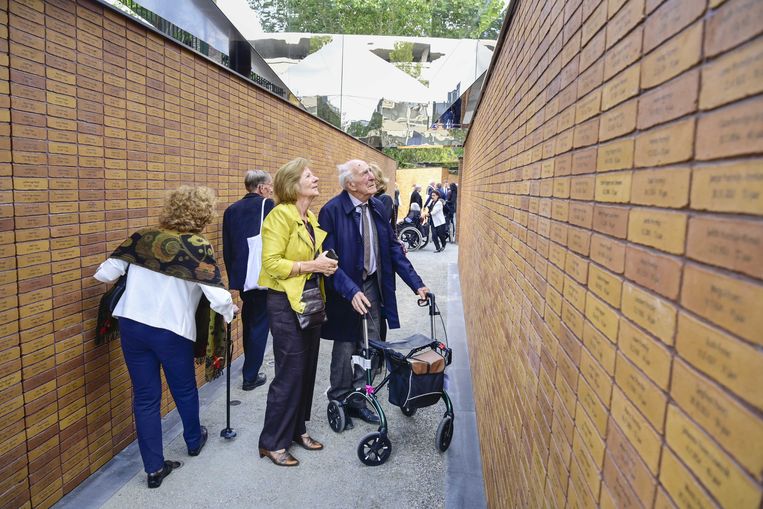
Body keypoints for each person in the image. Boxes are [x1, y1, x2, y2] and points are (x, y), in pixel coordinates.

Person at [94, 186, 236, 488]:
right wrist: (230, 312)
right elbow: (217, 297)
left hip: (132, 325)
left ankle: (154, 469)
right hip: (172, 331)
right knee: (183, 389)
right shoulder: (198, 247)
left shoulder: (142, 238)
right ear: (203, 215)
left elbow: (104, 274)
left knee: (145, 398)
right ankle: (194, 441)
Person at [319, 159, 429, 429]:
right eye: (364, 172)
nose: (372, 176)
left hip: (372, 284)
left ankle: (361, 396)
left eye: (370, 171)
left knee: (372, 344)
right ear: (350, 183)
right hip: (344, 288)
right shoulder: (331, 211)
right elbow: (329, 261)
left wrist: (417, 283)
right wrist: (350, 289)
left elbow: (393, 250)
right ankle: (340, 397)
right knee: (345, 345)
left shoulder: (378, 207)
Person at [257, 157, 338, 467]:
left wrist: (324, 264)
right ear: (293, 185)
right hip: (283, 303)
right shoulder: (279, 216)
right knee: (289, 374)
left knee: (306, 371)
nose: (316, 178)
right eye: (309, 175)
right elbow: (271, 264)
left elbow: (311, 256)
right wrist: (312, 265)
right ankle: (272, 442)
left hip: (308, 300)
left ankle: (297, 428)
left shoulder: (309, 217)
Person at [222, 170, 275, 391]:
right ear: (261, 188)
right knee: (260, 325)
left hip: (243, 278)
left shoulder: (231, 210)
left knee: (250, 321)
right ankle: (250, 376)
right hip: (262, 276)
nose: (271, 189)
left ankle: (249, 370)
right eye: (270, 185)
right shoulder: (268, 206)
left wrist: (235, 277)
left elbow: (228, 248)